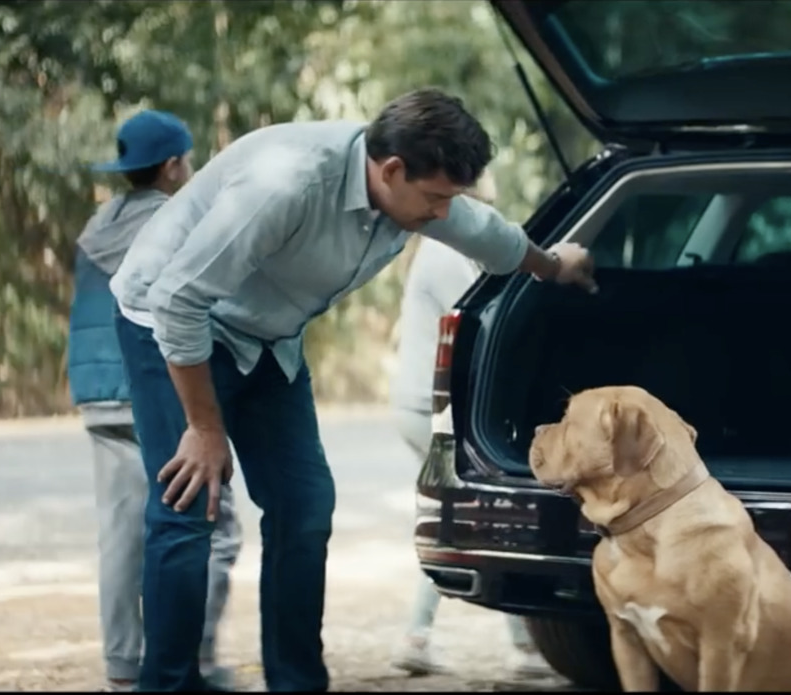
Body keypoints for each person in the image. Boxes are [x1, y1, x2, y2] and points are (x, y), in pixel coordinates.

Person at [108, 87, 598, 692]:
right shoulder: (289, 183)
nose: (444, 212)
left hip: (267, 339)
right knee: (189, 505)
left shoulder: (412, 190)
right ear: (392, 169)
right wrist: (205, 430)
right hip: (167, 322)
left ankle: (297, 681)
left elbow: (486, 233)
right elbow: (177, 299)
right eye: (437, 198)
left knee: (305, 507)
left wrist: (553, 265)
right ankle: (170, 683)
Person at [68, 109, 243, 693]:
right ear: (172, 166)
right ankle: (190, 657)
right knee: (209, 521)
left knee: (121, 531)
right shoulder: (175, 221)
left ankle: (123, 667)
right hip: (154, 390)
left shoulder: (98, 224)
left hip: (97, 396)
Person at [387, 201, 551, 680]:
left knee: (454, 514)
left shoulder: (434, 250)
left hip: (421, 404)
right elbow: (492, 312)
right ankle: (517, 647)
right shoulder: (443, 254)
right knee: (475, 515)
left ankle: (423, 637)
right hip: (434, 408)